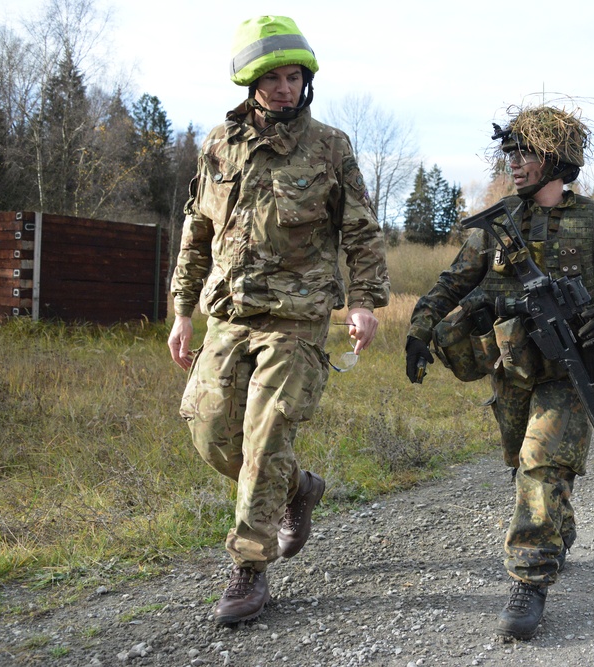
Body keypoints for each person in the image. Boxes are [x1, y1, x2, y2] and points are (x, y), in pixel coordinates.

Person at [167, 15, 389, 625]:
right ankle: (299, 490)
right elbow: (197, 232)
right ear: (250, 81)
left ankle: (249, 570)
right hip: (228, 315)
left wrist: (363, 302)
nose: (286, 87)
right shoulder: (217, 144)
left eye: (295, 76)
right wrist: (182, 311)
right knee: (211, 432)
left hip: (298, 317)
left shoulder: (330, 147)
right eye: (274, 77)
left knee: (267, 441)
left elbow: (361, 232)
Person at [405, 104, 594, 640]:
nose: (514, 163)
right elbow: (453, 283)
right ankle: (556, 530)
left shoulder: (593, 220)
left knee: (542, 460)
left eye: (527, 153)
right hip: (511, 366)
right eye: (510, 152)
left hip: (569, 369)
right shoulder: (497, 224)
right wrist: (419, 328)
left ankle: (529, 578)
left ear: (558, 160)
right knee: (525, 463)